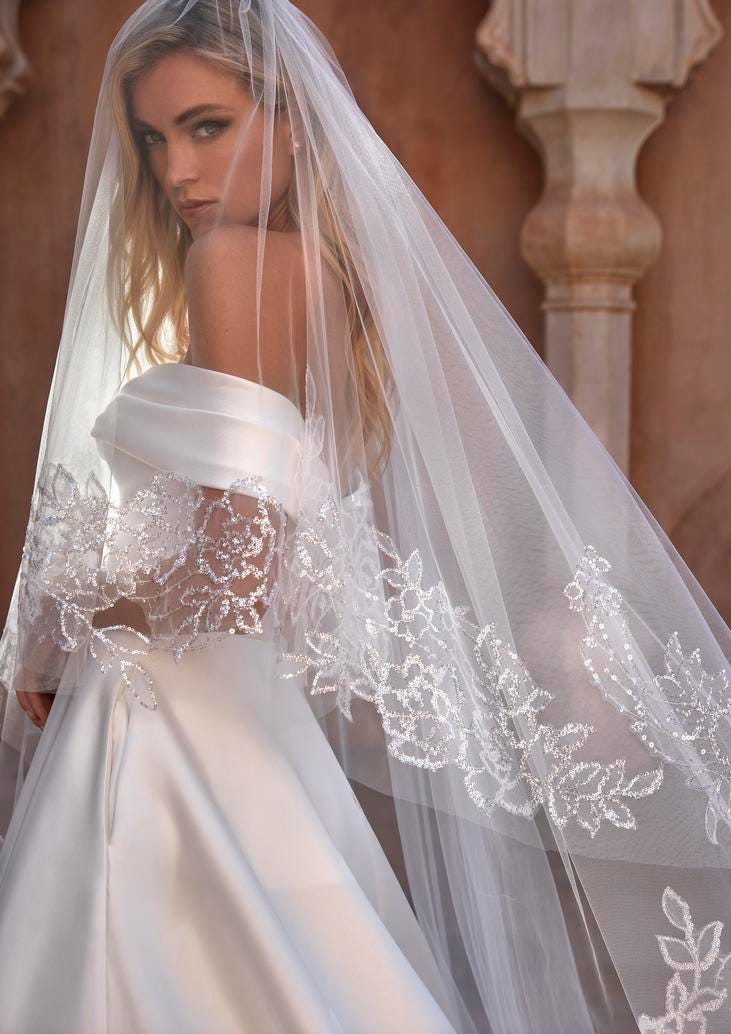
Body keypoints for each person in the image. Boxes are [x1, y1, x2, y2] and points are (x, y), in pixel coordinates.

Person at [0, 1, 728, 1031]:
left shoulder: (233, 266)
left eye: (207, 126)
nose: (175, 171)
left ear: (293, 123)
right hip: (239, 724)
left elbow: (236, 569)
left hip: (169, 730)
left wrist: (75, 626)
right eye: (154, 138)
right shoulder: (334, 284)